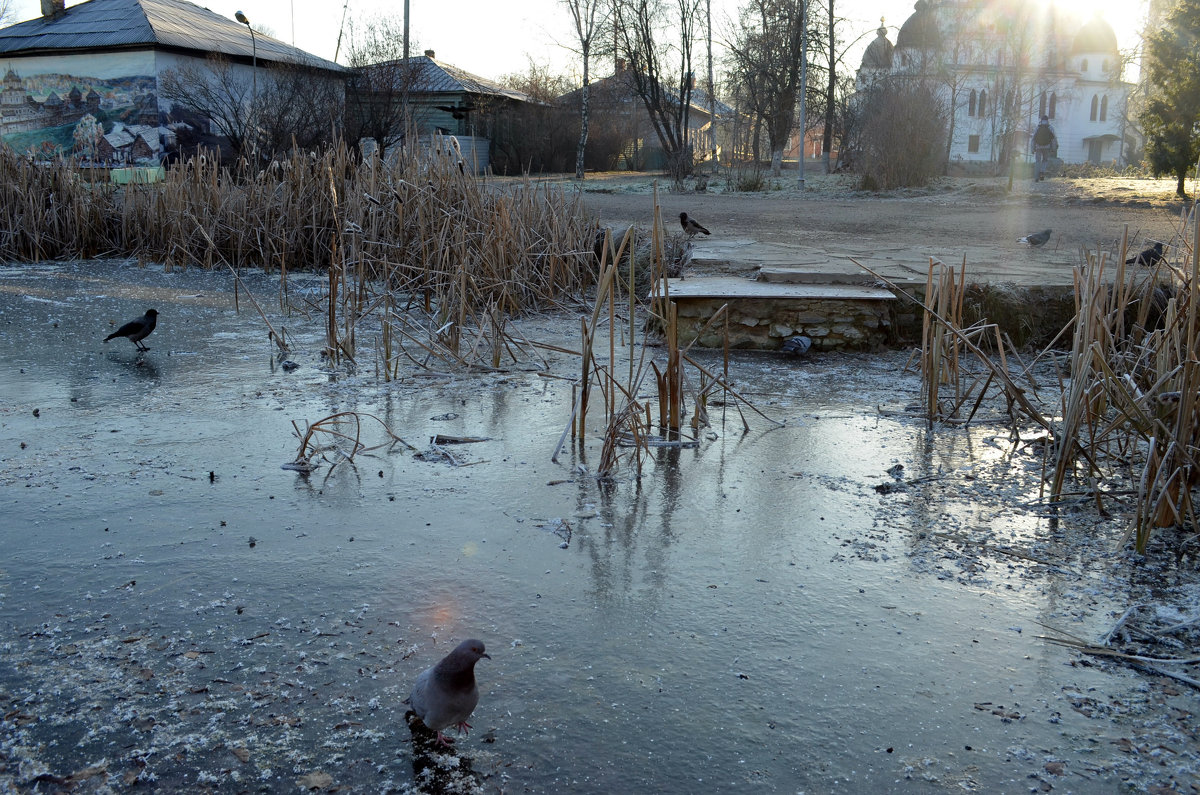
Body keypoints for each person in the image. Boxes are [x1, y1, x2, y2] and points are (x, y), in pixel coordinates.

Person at [1032, 115, 1057, 182]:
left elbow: (1033, 138)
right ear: (1047, 120)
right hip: (1047, 147)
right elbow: (1053, 139)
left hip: (1038, 147)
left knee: (1038, 161)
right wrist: (1053, 148)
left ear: (1041, 120)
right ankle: (1042, 172)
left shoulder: (1037, 127)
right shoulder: (1050, 128)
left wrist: (1032, 148)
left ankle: (1036, 177)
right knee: (1045, 160)